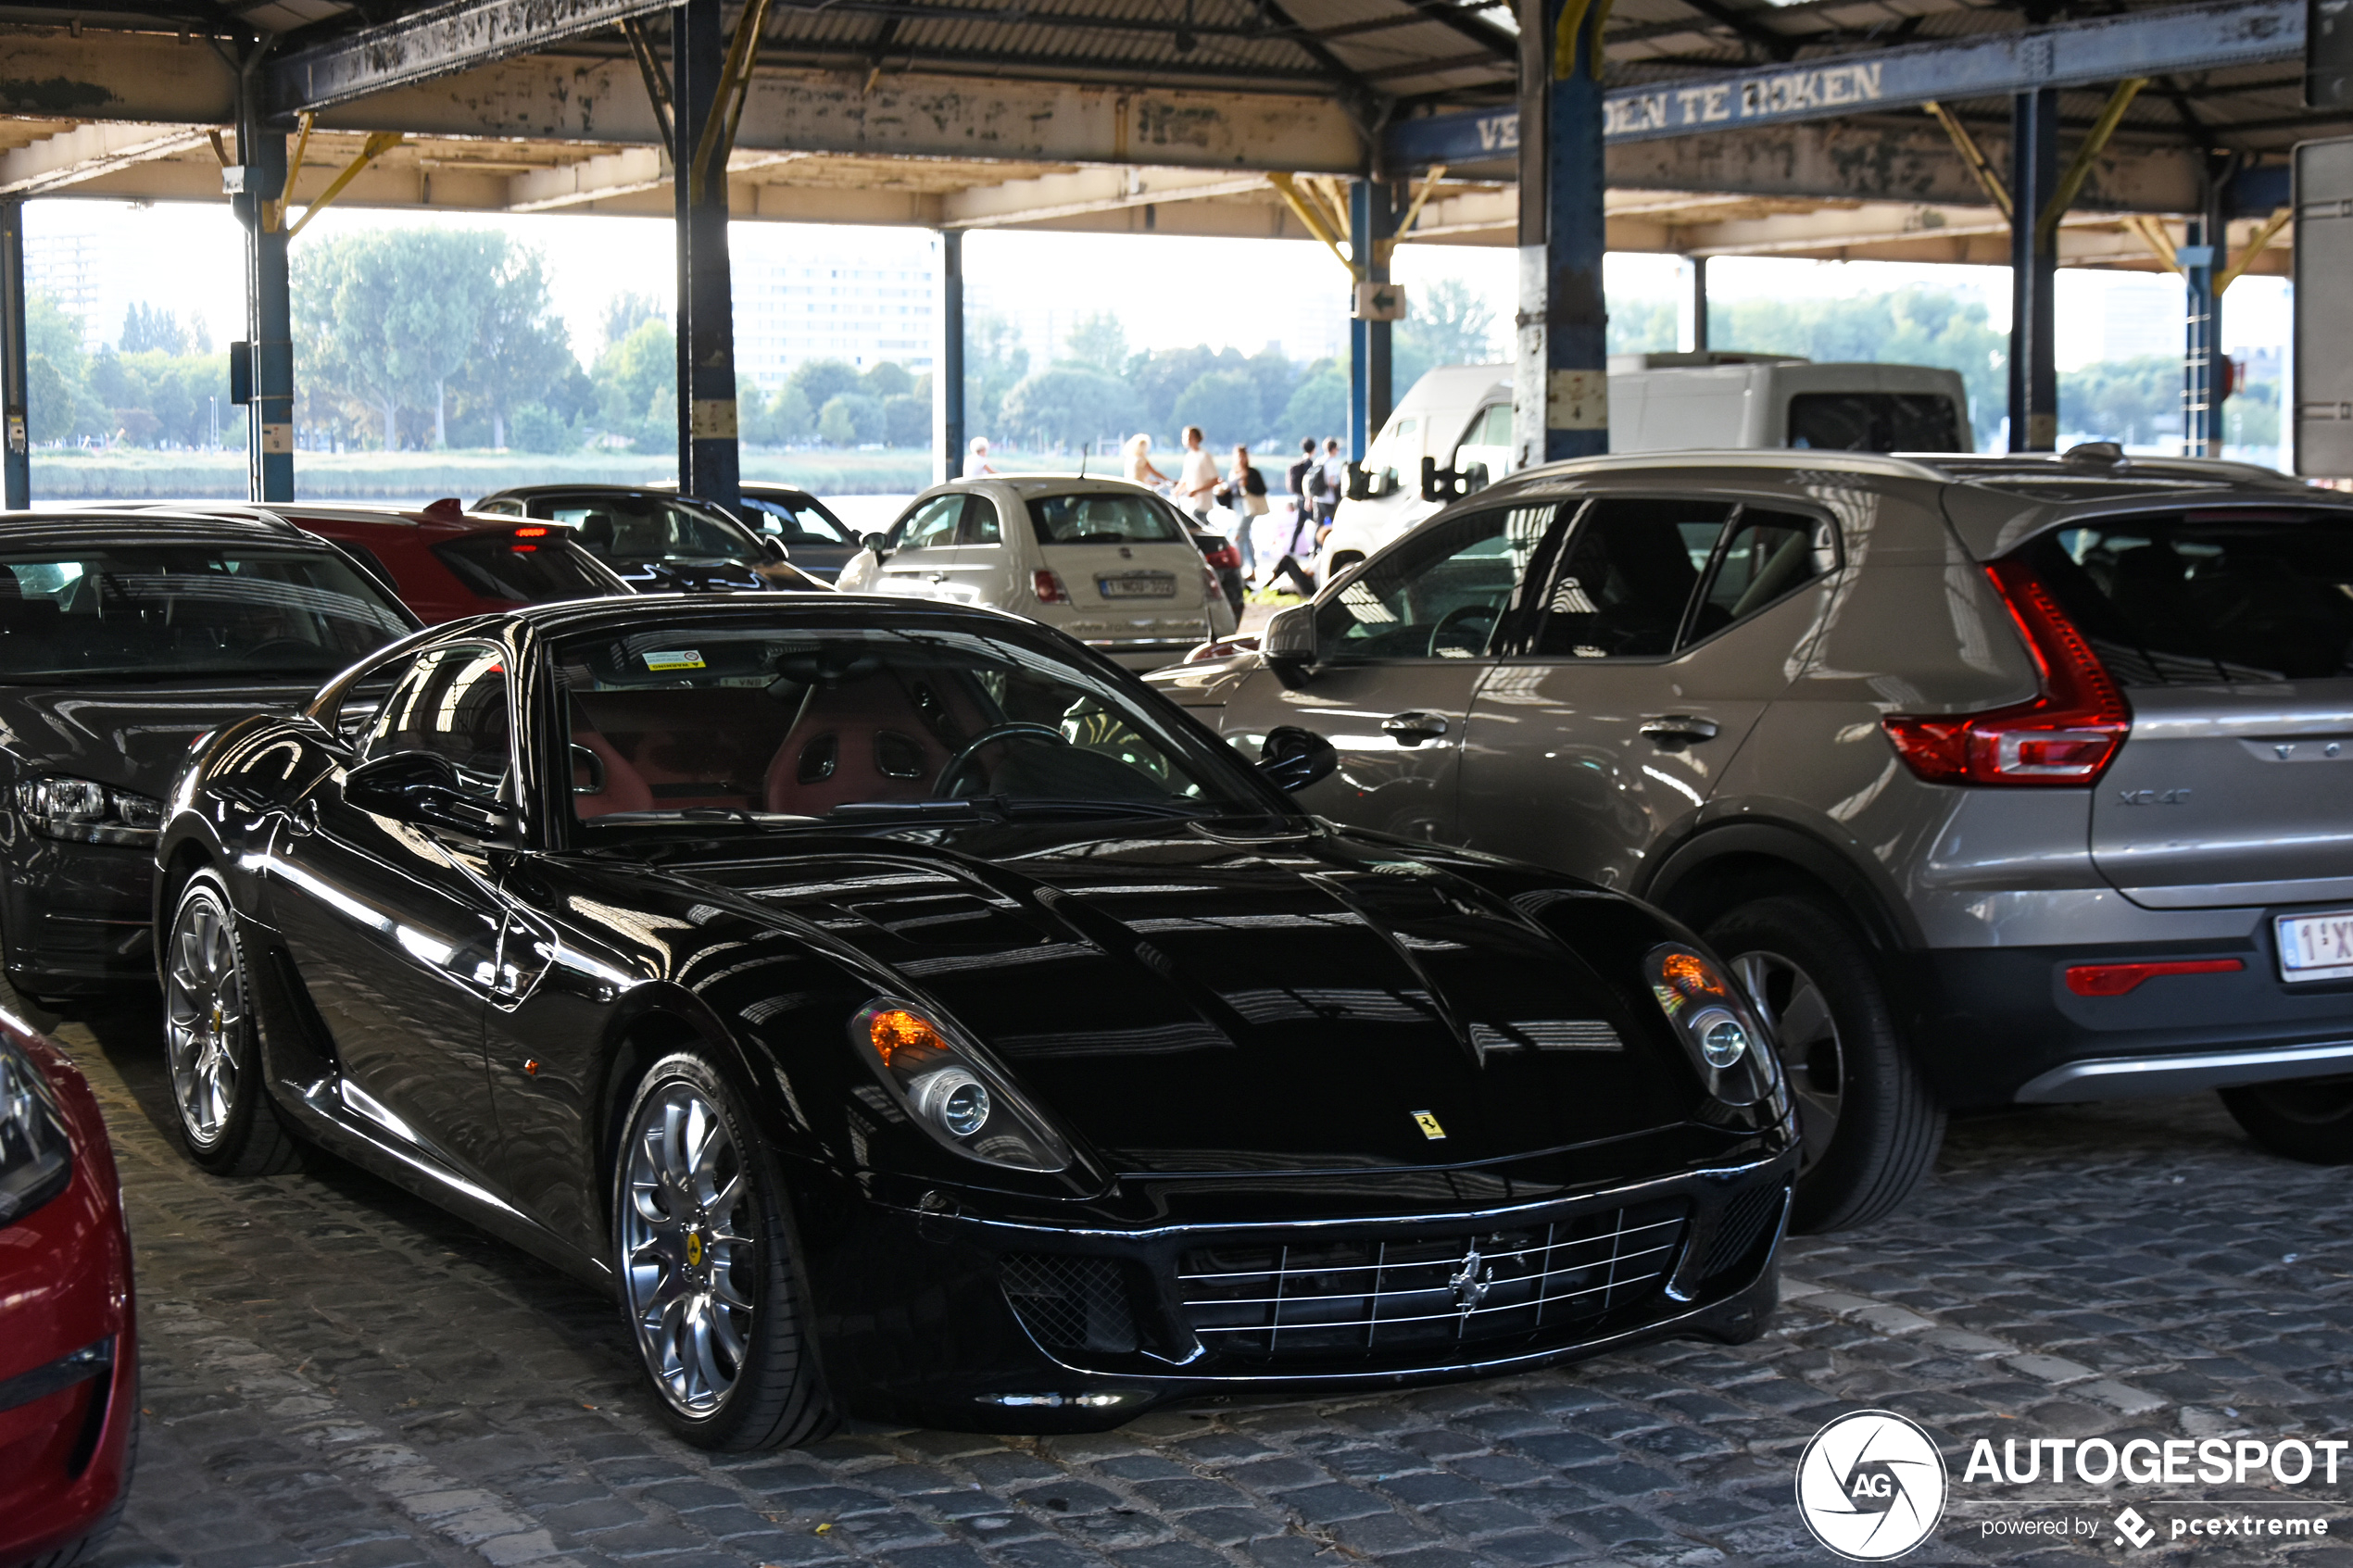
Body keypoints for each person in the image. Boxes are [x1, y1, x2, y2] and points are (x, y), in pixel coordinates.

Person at [1214, 445, 1269, 583]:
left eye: (1243, 455)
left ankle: (1238, 569)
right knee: (1244, 538)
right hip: (1237, 508)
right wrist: (1222, 492)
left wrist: (1246, 484)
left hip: (1249, 508)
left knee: (1238, 536)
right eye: (1238, 456)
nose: (1241, 458)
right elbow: (1229, 495)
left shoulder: (1252, 473)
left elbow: (1261, 489)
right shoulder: (1233, 473)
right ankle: (1252, 569)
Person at [1176, 426, 1220, 522]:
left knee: (1193, 527)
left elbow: (1215, 480)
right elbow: (1185, 479)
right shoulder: (1189, 456)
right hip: (1191, 503)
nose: (1186, 440)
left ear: (1196, 438)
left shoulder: (1204, 456)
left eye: (1188, 437)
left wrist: (1196, 490)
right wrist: (1176, 491)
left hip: (1203, 503)